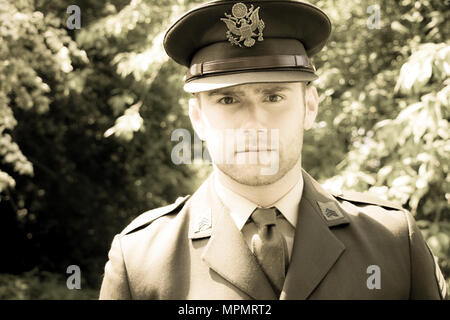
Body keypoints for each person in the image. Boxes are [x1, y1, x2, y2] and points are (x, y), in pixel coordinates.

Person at [99, 0, 447, 300]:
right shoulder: (142, 259)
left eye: (274, 96)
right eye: (228, 99)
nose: (254, 122)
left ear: (310, 106)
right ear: (198, 117)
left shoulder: (393, 242)